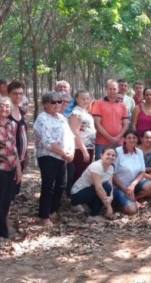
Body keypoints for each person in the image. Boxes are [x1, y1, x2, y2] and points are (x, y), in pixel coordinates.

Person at [34, 91, 75, 226]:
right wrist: (64, 153)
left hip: (62, 157)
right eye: (53, 102)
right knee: (49, 186)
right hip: (48, 157)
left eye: (59, 101)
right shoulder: (42, 118)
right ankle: (44, 216)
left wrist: (71, 152)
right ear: (45, 104)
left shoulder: (62, 117)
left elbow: (69, 136)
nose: (57, 104)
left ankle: (54, 211)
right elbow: (47, 141)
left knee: (61, 185)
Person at [112, 130, 151, 215]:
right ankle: (119, 203)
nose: (132, 140)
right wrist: (125, 189)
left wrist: (133, 185)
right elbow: (113, 175)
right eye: (129, 138)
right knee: (132, 210)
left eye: (134, 138)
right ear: (124, 140)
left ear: (137, 140)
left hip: (134, 184)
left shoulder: (139, 152)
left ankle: (134, 198)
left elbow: (142, 172)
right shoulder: (118, 152)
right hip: (120, 186)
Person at [0, 96, 22, 242]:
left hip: (10, 167)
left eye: (7, 106)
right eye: (0, 105)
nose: (4, 109)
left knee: (6, 202)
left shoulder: (11, 124)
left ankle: (2, 231)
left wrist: (18, 169)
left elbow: (14, 148)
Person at [70, 146, 116, 223]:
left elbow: (110, 184)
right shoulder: (96, 166)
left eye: (113, 155)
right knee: (105, 188)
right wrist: (109, 206)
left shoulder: (111, 167)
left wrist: (111, 197)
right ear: (101, 155)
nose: (110, 157)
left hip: (90, 191)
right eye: (108, 154)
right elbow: (98, 189)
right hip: (78, 193)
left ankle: (87, 207)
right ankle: (93, 216)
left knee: (107, 187)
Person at [68, 91, 96, 201]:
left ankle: (81, 196)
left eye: (87, 98)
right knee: (79, 174)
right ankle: (75, 199)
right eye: (83, 98)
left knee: (84, 173)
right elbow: (75, 132)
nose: (86, 101)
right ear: (76, 99)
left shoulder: (85, 112)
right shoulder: (76, 113)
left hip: (89, 147)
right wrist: (83, 150)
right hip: (80, 148)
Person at [92, 80, 129, 159]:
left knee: (117, 167)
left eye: (114, 89)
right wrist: (110, 138)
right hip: (102, 142)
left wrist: (117, 138)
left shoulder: (122, 106)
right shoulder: (98, 103)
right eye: (110, 89)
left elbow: (126, 124)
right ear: (106, 89)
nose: (112, 91)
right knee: (101, 167)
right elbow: (97, 124)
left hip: (119, 142)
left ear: (118, 89)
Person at [7, 81, 28, 176]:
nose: (18, 96)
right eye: (15, 93)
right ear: (8, 94)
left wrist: (26, 155)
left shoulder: (21, 111)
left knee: (16, 189)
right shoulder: (4, 112)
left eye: (20, 94)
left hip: (21, 158)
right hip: (7, 158)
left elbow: (23, 134)